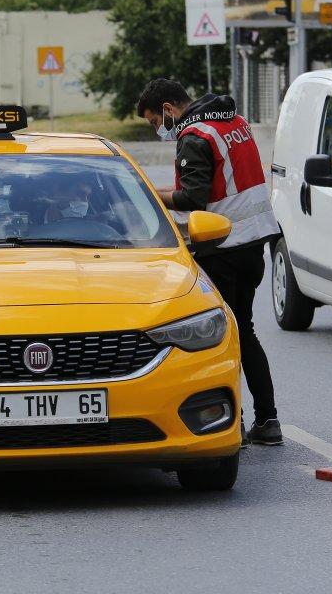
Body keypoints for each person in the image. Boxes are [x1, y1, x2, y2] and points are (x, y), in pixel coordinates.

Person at [137, 78, 283, 445]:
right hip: (253, 244)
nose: (159, 129)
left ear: (169, 109)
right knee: (244, 330)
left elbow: (194, 197)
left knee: (223, 338)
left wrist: (152, 196)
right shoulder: (234, 122)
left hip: (222, 245)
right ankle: (268, 419)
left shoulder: (194, 136)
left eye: (155, 121)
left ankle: (229, 423)